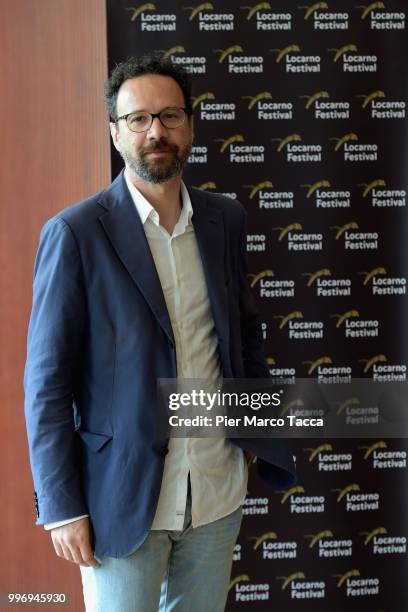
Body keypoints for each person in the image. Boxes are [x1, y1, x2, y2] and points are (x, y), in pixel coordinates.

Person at [24, 53, 295, 612]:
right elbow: (47, 383)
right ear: (115, 134)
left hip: (215, 494)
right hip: (119, 501)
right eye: (139, 119)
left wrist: (250, 438)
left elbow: (245, 338)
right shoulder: (75, 234)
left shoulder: (225, 220)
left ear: (190, 126)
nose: (156, 132)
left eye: (170, 116)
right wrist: (61, 507)